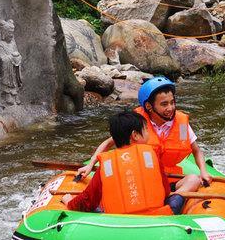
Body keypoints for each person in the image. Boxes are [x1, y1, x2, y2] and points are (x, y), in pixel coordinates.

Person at [78, 77, 211, 194]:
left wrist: (203, 171)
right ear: (149, 106)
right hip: (142, 179)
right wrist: (90, 165)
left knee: (193, 179)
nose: (170, 108)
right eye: (164, 104)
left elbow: (196, 150)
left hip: (170, 179)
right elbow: (108, 143)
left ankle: (172, 198)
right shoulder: (137, 123)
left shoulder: (181, 124)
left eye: (172, 102)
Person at [62, 111, 183, 215]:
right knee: (177, 198)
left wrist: (69, 202)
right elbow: (165, 191)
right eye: (146, 129)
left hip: (118, 221)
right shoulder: (151, 155)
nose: (148, 133)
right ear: (135, 135)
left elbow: (87, 200)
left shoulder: (107, 164)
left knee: (98, 206)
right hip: (156, 219)